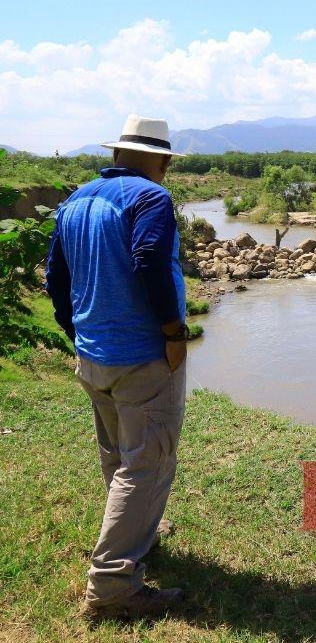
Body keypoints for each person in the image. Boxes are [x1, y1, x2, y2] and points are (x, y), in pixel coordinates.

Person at [45, 115, 189, 620]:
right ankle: (112, 588)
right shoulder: (150, 199)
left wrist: (77, 331)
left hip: (94, 354)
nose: (168, 167)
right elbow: (150, 257)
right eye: (167, 159)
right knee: (146, 463)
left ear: (116, 154)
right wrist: (174, 332)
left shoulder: (76, 200)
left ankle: (134, 533)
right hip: (142, 355)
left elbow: (54, 277)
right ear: (160, 159)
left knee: (118, 455)